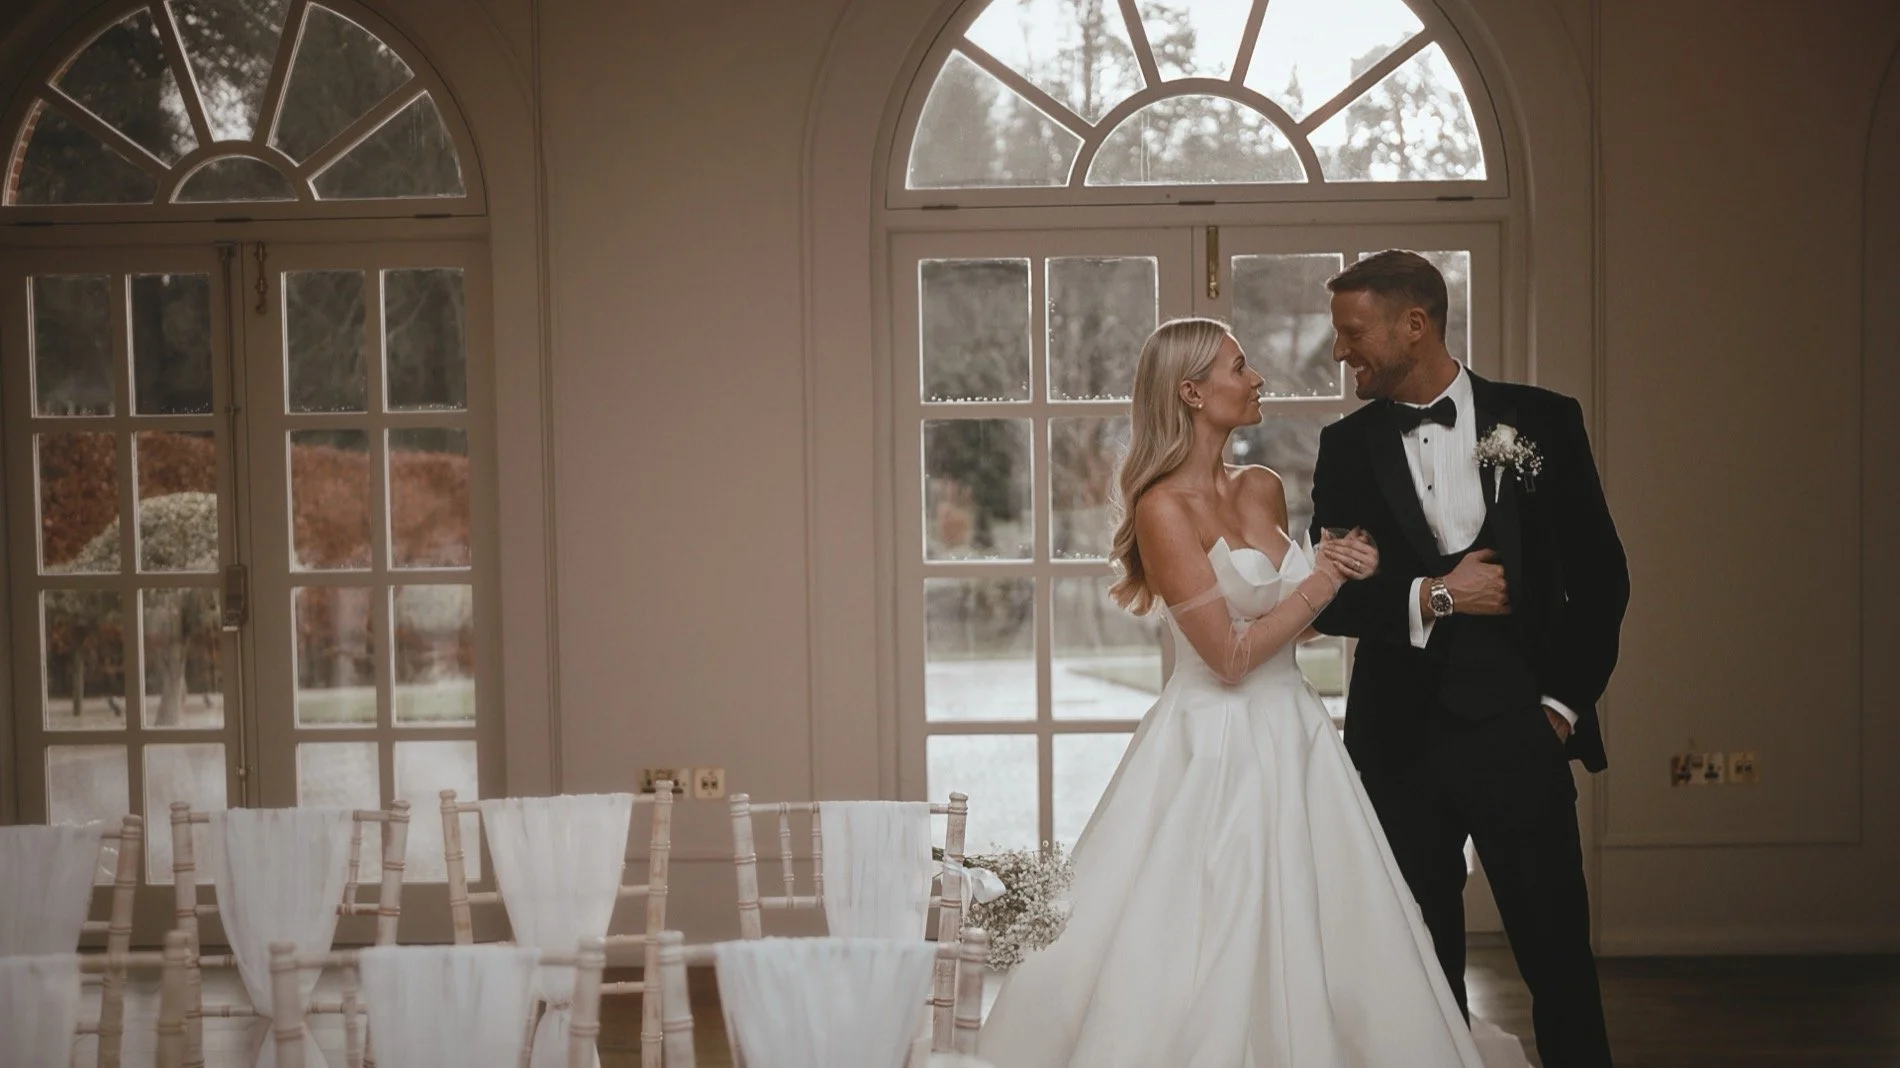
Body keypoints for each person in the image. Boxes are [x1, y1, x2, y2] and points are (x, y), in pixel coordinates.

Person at [978, 317, 1526, 1067]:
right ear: (1193, 392)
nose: (1258, 377)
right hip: (1213, 741)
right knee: (1207, 928)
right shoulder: (1161, 509)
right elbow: (1230, 659)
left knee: (1329, 922)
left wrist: (1342, 567)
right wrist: (1324, 581)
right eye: (1241, 366)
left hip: (1293, 730)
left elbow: (1283, 625)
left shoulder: (1263, 487)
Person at [1310, 250, 1628, 1067]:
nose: (1340, 352)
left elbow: (1601, 580)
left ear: (1414, 325)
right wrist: (1436, 594)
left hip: (1520, 734)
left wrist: (1560, 709)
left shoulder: (1544, 421)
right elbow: (1333, 598)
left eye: (1352, 334)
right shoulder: (1344, 448)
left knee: (1558, 958)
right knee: (1420, 967)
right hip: (1398, 746)